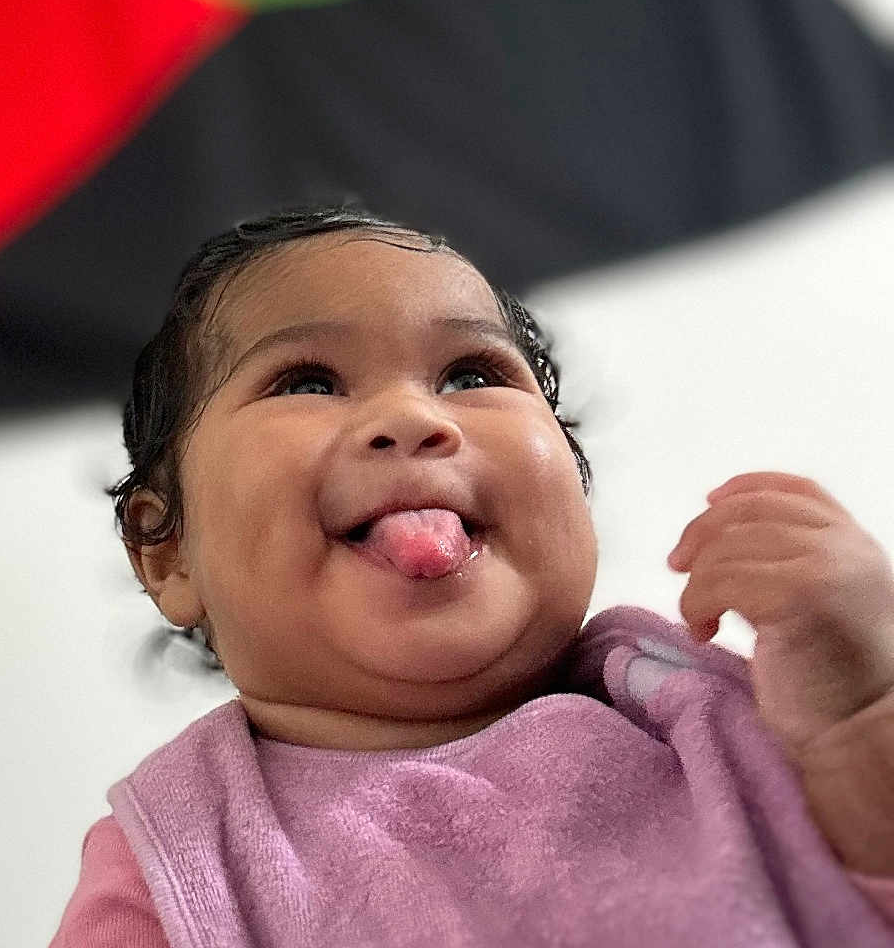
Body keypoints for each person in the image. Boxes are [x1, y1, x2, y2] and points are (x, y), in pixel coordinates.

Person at [49, 205, 894, 947]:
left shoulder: (716, 718)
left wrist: (863, 710)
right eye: (306, 381)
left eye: (471, 375)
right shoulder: (181, 870)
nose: (414, 418)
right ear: (169, 555)